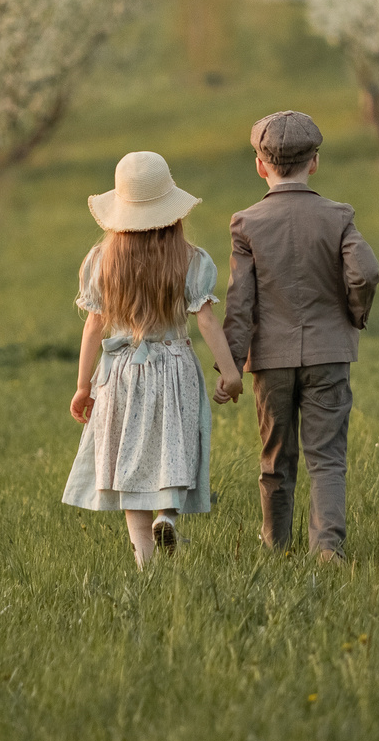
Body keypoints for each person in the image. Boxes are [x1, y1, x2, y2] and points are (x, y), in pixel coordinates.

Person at [62, 150, 244, 566]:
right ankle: (167, 515)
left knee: (131, 464)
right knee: (175, 447)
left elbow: (93, 327)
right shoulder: (191, 260)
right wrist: (231, 373)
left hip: (122, 374)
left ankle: (147, 565)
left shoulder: (101, 262)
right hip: (175, 367)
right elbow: (206, 321)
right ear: (172, 211)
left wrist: (83, 386)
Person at [224, 111, 379, 564]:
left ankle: (275, 545)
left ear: (260, 166)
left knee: (275, 456)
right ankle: (327, 545)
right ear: (315, 162)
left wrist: (231, 363)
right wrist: (355, 313)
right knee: (326, 456)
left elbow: (239, 302)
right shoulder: (339, 217)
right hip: (329, 352)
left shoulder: (246, 223)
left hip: (270, 358)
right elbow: (365, 272)